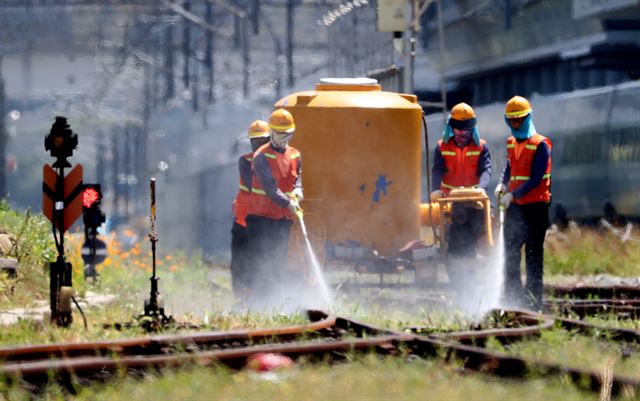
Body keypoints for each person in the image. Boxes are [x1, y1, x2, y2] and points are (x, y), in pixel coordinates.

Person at [494, 95, 552, 310]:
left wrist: (512, 194)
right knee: (510, 251)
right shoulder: (511, 143)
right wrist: (502, 185)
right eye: (512, 120)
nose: (516, 124)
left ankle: (534, 301)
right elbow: (509, 168)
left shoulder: (540, 145)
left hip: (536, 207)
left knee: (533, 254)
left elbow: (537, 178)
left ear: (527, 118)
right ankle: (513, 297)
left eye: (519, 119)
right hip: (517, 207)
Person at [245, 108, 303, 303]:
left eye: (289, 135)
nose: (285, 139)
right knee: (262, 260)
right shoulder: (261, 156)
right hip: (261, 218)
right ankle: (258, 302)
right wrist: (289, 203)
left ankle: (274, 301)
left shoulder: (295, 154)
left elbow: (298, 178)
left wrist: (297, 190)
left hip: (283, 218)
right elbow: (270, 188)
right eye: (281, 135)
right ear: (271, 132)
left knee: (278, 259)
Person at [431, 102, 492, 261]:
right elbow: (437, 169)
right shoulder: (441, 147)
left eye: (466, 129)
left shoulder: (482, 147)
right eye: (459, 128)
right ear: (452, 127)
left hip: (473, 199)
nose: (463, 133)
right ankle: (450, 256)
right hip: (449, 200)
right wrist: (435, 190)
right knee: (449, 233)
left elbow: (486, 169)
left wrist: (482, 188)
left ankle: (480, 253)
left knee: (479, 228)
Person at [230, 120, 271, 297]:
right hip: (243, 220)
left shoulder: (276, 161)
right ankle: (241, 298)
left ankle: (260, 297)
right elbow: (252, 182)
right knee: (239, 264)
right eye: (254, 141)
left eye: (262, 141)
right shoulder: (246, 161)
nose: (258, 145)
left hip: (264, 221)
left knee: (261, 261)